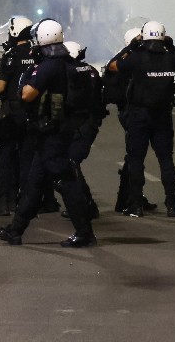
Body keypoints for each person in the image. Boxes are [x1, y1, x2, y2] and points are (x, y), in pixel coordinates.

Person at [0, 19, 96, 248]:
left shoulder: (50, 65)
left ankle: (84, 232)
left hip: (53, 134)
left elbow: (28, 95)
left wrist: (26, 80)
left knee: (67, 183)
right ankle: (16, 230)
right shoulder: (70, 62)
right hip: (57, 131)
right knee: (34, 183)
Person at [107, 20, 175, 217]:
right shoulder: (171, 59)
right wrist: (171, 46)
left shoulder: (136, 58)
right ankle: (172, 205)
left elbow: (112, 67)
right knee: (166, 159)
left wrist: (131, 46)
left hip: (139, 115)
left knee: (136, 160)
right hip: (163, 116)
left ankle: (136, 205)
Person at [0, 16, 35, 216]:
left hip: (12, 114)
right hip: (32, 114)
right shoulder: (38, 54)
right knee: (28, 159)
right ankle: (26, 202)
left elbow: (0, 87)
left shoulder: (11, 55)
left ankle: (3, 201)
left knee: (6, 156)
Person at [63, 40, 104, 220]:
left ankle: (86, 207)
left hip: (79, 124)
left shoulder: (69, 73)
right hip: (90, 123)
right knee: (71, 164)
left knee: (71, 163)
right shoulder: (91, 71)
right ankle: (86, 205)